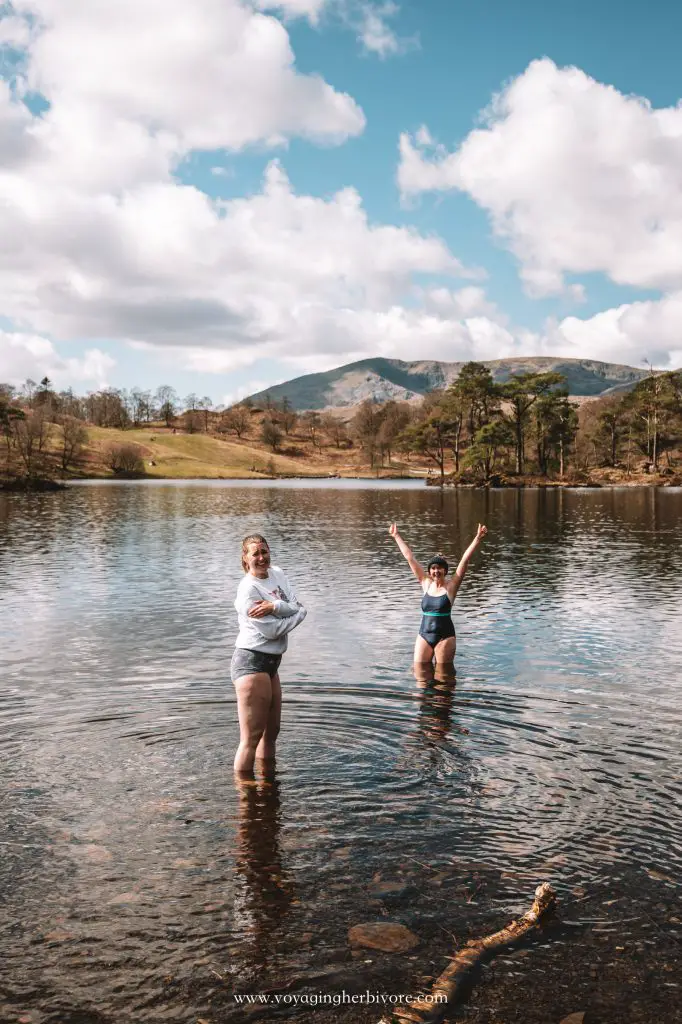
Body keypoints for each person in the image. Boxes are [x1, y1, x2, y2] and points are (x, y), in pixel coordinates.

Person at [232, 534, 307, 773]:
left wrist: (276, 606)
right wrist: (298, 614)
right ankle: (245, 796)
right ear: (245, 559)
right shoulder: (248, 590)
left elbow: (293, 604)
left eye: (264, 552)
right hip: (252, 661)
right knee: (251, 739)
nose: (262, 558)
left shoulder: (278, 574)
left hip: (272, 663)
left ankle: (268, 787)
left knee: (272, 732)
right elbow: (273, 631)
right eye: (255, 554)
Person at [388, 522, 487, 665]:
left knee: (443, 678)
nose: (436, 571)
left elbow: (464, 561)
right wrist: (396, 536)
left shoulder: (451, 587)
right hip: (424, 635)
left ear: (445, 571)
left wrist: (477, 539)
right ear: (429, 571)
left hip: (445, 637)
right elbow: (410, 558)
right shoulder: (426, 583)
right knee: (420, 675)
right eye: (433, 568)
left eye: (440, 568)